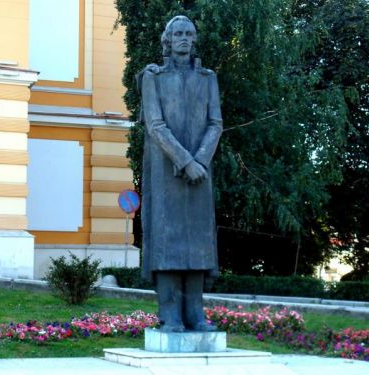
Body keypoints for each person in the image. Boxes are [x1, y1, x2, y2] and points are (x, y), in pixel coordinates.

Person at [138, 15, 223, 332]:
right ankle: (170, 314)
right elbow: (155, 125)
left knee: (198, 243)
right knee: (168, 242)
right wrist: (185, 161)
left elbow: (216, 123)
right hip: (166, 172)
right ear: (168, 40)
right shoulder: (154, 77)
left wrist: (200, 159)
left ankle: (196, 313)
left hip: (201, 172)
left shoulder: (207, 78)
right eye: (178, 34)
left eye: (189, 33)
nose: (184, 38)